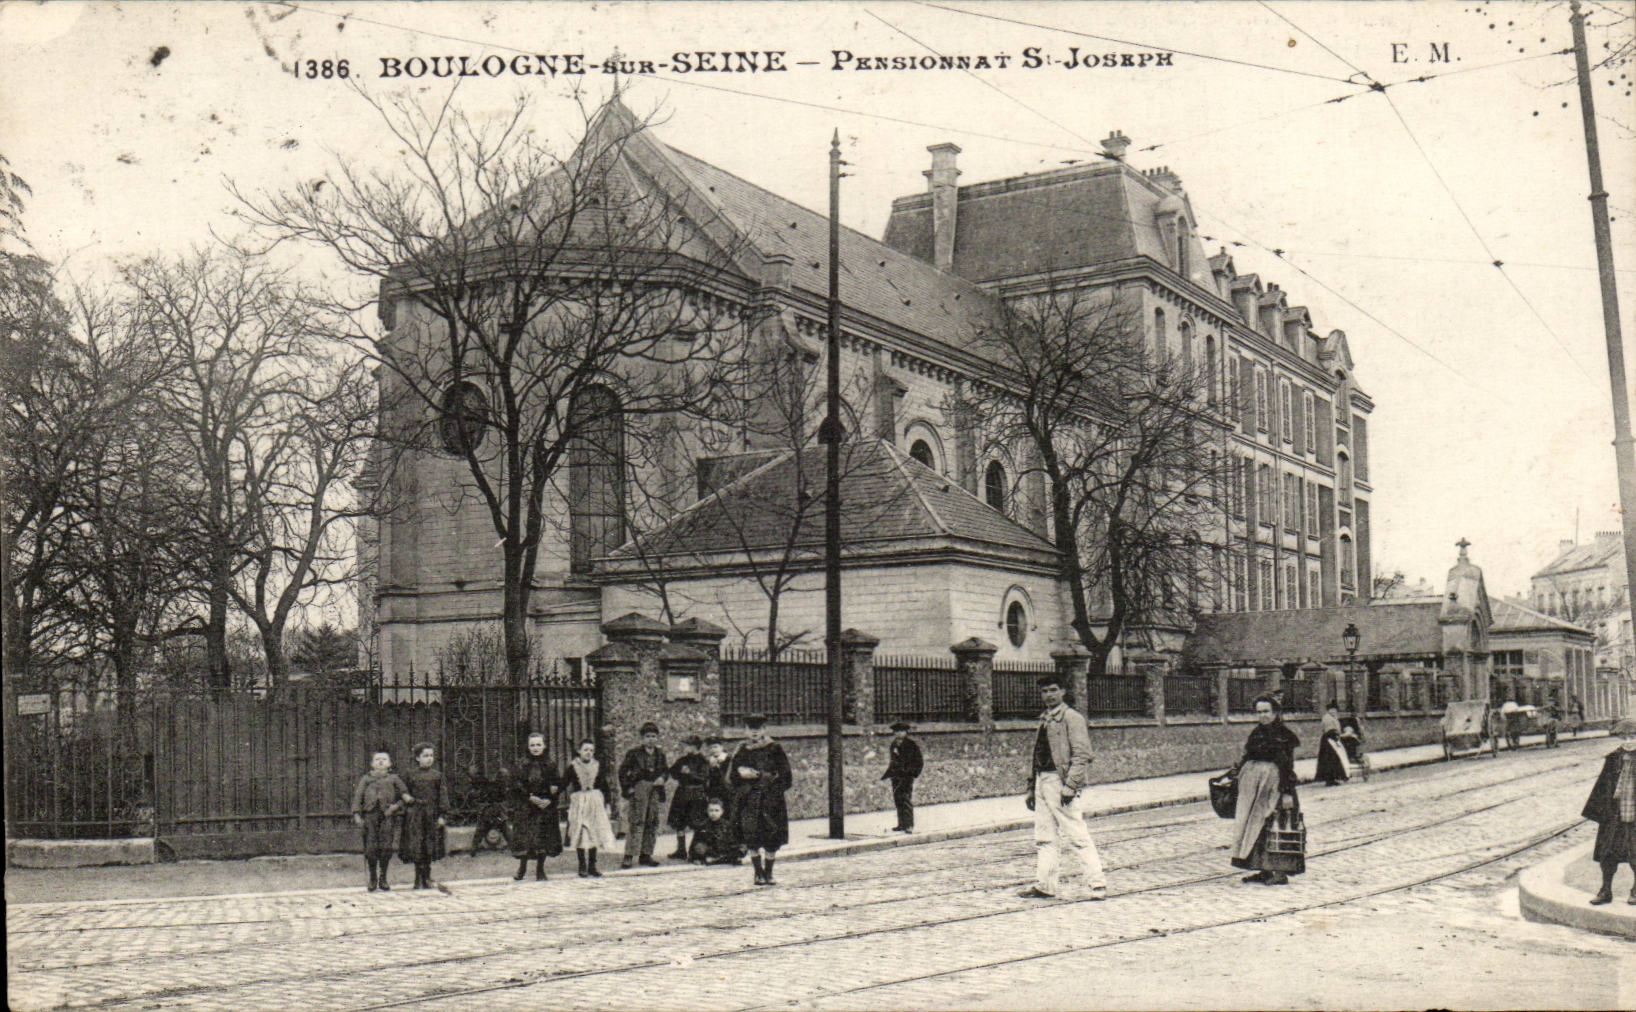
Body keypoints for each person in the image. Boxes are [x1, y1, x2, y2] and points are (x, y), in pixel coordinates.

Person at [1018, 674, 1107, 901]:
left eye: (1053, 690)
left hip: (1060, 782)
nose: (1048, 695)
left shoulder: (1071, 718)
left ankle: (1097, 885)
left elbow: (1082, 754)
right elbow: (1037, 756)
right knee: (1045, 836)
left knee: (1077, 834)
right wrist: (1031, 787)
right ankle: (1045, 885)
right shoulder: (1045, 719)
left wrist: (1070, 785)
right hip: (1042, 781)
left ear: (1063, 691)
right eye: (1045, 691)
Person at [1231, 694, 1302, 886]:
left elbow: (1287, 766)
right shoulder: (1256, 733)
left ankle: (1280, 871)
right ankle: (1263, 869)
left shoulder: (1284, 735)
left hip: (1276, 787)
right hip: (1256, 789)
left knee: (1276, 824)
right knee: (1256, 826)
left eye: (1266, 712)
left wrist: (1287, 792)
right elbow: (1247, 756)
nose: (1262, 716)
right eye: (1259, 712)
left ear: (1275, 713)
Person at [729, 713, 792, 885]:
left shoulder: (774, 749)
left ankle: (769, 873)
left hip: (770, 800)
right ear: (745, 731)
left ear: (764, 730)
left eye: (758, 729)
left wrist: (761, 778)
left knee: (771, 836)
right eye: (751, 729)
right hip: (749, 800)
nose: (754, 733)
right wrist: (740, 774)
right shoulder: (741, 750)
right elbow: (731, 778)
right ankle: (758, 872)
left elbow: (786, 777)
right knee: (752, 836)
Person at [1582, 717, 1636, 905]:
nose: (1628, 741)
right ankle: (1606, 890)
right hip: (1615, 815)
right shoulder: (1614, 758)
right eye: (1625, 737)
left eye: (1633, 737)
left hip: (1634, 815)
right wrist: (1599, 812)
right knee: (1608, 853)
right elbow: (1603, 786)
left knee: (1635, 852)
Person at [507, 732, 563, 882]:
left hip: (544, 808)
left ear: (544, 746)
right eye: (532, 745)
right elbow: (516, 784)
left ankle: (540, 869)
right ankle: (522, 867)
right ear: (528, 746)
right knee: (526, 839)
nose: (535, 748)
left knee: (542, 839)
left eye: (538, 744)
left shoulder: (550, 765)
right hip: (527, 807)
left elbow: (557, 784)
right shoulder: (522, 764)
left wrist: (550, 799)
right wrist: (529, 797)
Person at [351, 749, 409, 892]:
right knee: (370, 848)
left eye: (384, 759)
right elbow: (358, 797)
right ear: (372, 764)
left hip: (387, 816)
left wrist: (395, 807)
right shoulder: (366, 779)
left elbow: (405, 796)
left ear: (389, 764)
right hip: (370, 817)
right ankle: (372, 878)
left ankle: (383, 878)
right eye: (377, 759)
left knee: (385, 847)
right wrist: (357, 815)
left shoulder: (394, 779)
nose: (381, 761)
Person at [398, 742, 450, 890]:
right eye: (425, 756)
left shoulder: (437, 776)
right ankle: (418, 878)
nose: (429, 759)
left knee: (429, 845)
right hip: (415, 815)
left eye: (431, 756)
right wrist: (406, 797)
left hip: (431, 815)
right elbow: (402, 791)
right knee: (416, 846)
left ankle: (427, 876)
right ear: (417, 758)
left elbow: (442, 796)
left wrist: (442, 815)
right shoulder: (410, 775)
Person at [619, 722, 669, 869]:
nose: (651, 739)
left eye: (653, 736)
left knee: (652, 821)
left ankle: (646, 854)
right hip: (640, 788)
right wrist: (628, 788)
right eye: (647, 736)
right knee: (637, 821)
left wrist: (662, 778)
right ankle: (629, 855)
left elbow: (666, 771)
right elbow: (622, 772)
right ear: (642, 738)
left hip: (655, 789)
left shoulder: (660, 754)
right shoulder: (634, 754)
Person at [565, 738, 616, 878]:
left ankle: (592, 865)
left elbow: (604, 785)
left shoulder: (597, 766)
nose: (588, 753)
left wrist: (608, 803)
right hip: (580, 802)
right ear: (579, 751)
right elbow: (564, 782)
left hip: (595, 802)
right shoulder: (573, 766)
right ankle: (582, 865)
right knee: (581, 832)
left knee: (594, 832)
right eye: (585, 750)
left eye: (591, 750)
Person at [666, 734, 712, 860]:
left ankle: (696, 852)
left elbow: (704, 777)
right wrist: (679, 772)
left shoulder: (703, 761)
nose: (685, 748)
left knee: (697, 823)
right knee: (679, 823)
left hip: (696, 794)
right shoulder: (682, 760)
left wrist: (690, 773)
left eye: (688, 745)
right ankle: (681, 850)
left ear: (695, 747)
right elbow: (672, 772)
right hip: (682, 793)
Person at [881, 721, 924, 832]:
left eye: (901, 731)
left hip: (906, 776)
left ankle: (909, 825)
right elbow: (893, 761)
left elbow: (919, 761)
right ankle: (901, 824)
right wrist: (888, 774)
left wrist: (912, 773)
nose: (898, 734)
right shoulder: (894, 744)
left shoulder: (911, 744)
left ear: (906, 732)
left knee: (905, 799)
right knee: (898, 799)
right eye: (896, 731)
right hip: (896, 776)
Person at [466, 762, 511, 858]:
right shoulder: (490, 785)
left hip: (489, 810)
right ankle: (515, 848)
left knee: (482, 829)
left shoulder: (483, 784)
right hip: (495, 810)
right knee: (504, 828)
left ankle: (473, 850)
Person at [688, 797, 745, 865]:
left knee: (741, 848)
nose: (713, 813)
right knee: (700, 847)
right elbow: (695, 843)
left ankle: (718, 859)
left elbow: (733, 841)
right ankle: (720, 859)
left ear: (722, 812)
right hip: (711, 851)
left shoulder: (727, 825)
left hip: (724, 850)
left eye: (716, 810)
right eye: (711, 810)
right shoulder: (703, 825)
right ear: (707, 811)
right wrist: (695, 857)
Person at [1315, 703, 1350, 787]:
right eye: (1331, 710)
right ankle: (1330, 780)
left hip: (1332, 740)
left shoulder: (1333, 718)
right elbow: (1330, 731)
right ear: (1328, 710)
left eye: (1335, 710)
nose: (1333, 711)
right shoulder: (1327, 718)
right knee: (1330, 760)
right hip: (1329, 741)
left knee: (1333, 760)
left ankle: (1332, 779)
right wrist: (1337, 737)